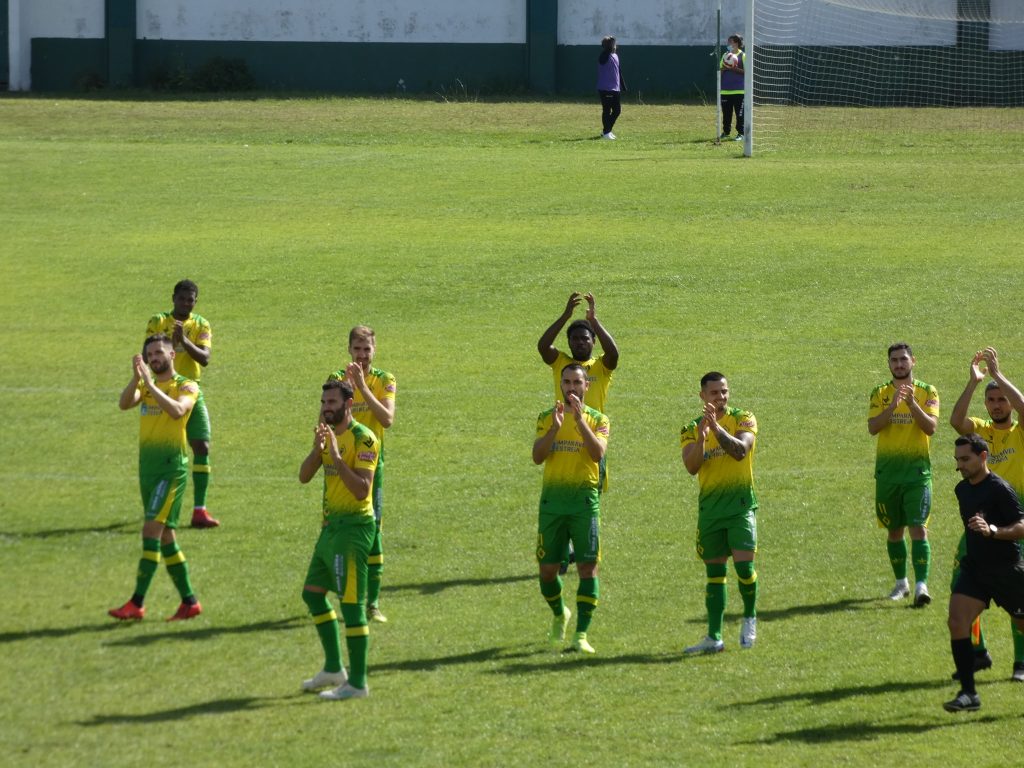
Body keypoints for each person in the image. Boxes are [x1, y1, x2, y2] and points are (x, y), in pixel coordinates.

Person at [109, 334, 203, 622]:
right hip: (147, 470)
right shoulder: (146, 386)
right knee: (166, 538)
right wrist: (135, 379)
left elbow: (178, 411)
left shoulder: (186, 385)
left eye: (159, 353)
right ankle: (189, 602)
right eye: (150, 355)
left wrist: (150, 384)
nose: (154, 358)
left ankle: (136, 603)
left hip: (170, 470)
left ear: (172, 354)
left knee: (150, 532)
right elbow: (125, 403)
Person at [299, 380, 380, 701]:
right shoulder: (326, 435)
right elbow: (304, 476)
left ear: (348, 405)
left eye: (331, 402)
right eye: (323, 402)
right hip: (330, 528)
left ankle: (358, 683)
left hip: (354, 530)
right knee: (313, 595)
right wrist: (319, 451)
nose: (325, 407)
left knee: (352, 607)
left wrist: (335, 455)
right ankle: (334, 667)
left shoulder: (365, 439)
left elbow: (362, 489)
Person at [949, 347, 1024, 682]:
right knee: (961, 584)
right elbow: (955, 422)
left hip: (1013, 518)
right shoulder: (981, 432)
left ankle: (1020, 663)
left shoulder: (1019, 431)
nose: (996, 404)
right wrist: (973, 382)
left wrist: (997, 377)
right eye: (991, 400)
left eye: (1001, 400)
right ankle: (977, 652)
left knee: (1017, 595)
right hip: (978, 523)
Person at [537, 292, 619, 571]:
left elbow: (614, 354)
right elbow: (542, 345)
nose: (580, 342)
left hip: (594, 433)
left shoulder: (599, 366)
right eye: (575, 339)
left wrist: (593, 322)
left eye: (585, 339)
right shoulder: (561, 364)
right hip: (562, 434)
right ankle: (563, 549)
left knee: (590, 495)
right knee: (561, 492)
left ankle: (578, 545)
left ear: (592, 342)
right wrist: (565, 317)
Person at [533, 363, 609, 654]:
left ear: (587, 385)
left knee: (588, 568)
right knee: (548, 572)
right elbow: (538, 457)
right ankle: (559, 613)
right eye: (566, 382)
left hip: (584, 504)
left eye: (577, 382)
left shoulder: (598, 419)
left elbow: (597, 453)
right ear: (561, 385)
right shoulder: (546, 417)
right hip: (553, 504)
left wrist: (579, 422)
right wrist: (554, 429)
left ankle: (581, 635)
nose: (571, 388)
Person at [945, 433, 1024, 712]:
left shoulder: (1000, 488)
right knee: (957, 621)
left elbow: (1022, 526)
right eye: (957, 460)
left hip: (1007, 572)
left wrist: (993, 531)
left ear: (982, 457)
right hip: (976, 569)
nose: (960, 465)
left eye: (965, 459)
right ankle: (969, 695)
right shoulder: (962, 489)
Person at [680, 372, 759, 653]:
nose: (721, 397)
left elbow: (740, 451)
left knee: (744, 569)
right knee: (714, 574)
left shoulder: (743, 418)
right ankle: (714, 637)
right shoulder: (690, 428)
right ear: (702, 396)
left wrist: (717, 430)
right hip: (711, 511)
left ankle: (749, 617)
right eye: (714, 393)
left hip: (739, 508)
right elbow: (691, 467)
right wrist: (703, 438)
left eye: (724, 391)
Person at [327, 326, 396, 623]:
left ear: (374, 350)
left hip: (369, 466)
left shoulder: (384, 380)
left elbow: (387, 419)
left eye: (367, 349)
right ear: (349, 350)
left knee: (373, 533)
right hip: (338, 464)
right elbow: (325, 419)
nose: (362, 355)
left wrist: (362, 388)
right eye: (357, 349)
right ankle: (343, 597)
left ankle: (373, 604)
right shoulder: (335, 379)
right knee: (333, 528)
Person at [867, 342, 939, 607]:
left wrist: (911, 405)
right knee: (894, 531)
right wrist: (893, 406)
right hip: (887, 475)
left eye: (903, 360)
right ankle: (901, 584)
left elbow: (930, 427)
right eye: (894, 360)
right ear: (889, 364)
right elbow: (873, 427)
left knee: (919, 529)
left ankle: (922, 586)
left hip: (917, 474)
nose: (899, 364)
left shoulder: (927, 391)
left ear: (913, 361)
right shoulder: (880, 393)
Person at [145, 279, 218, 528]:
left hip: (191, 389)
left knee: (202, 446)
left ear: (195, 301)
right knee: (166, 451)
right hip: (165, 389)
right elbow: (147, 354)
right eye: (182, 298)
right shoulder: (157, 321)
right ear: (173, 298)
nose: (186, 303)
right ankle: (160, 507)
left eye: (191, 299)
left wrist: (184, 341)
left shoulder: (201, 324)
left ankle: (199, 510)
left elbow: (206, 358)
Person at [597, 36, 625, 140]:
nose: (614, 45)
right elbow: (604, 55)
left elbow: (619, 72)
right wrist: (608, 45)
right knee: (607, 110)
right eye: (612, 44)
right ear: (607, 46)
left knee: (617, 110)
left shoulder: (615, 56)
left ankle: (607, 130)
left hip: (615, 88)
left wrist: (622, 86)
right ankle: (606, 132)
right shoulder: (604, 56)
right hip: (605, 88)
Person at [719, 34, 746, 142]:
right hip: (725, 90)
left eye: (730, 42)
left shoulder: (743, 55)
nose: (728, 44)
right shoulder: (725, 55)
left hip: (739, 90)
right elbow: (721, 70)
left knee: (740, 113)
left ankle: (741, 133)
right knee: (726, 114)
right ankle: (726, 132)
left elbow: (747, 72)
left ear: (736, 43)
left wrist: (734, 68)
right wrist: (725, 68)